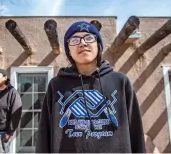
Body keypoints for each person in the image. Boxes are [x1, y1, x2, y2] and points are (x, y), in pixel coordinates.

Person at [36, 21, 146, 153]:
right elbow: (44, 133)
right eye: (75, 40)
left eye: (89, 38)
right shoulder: (56, 85)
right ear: (69, 50)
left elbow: (136, 131)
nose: (82, 43)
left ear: (98, 45)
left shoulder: (121, 82)